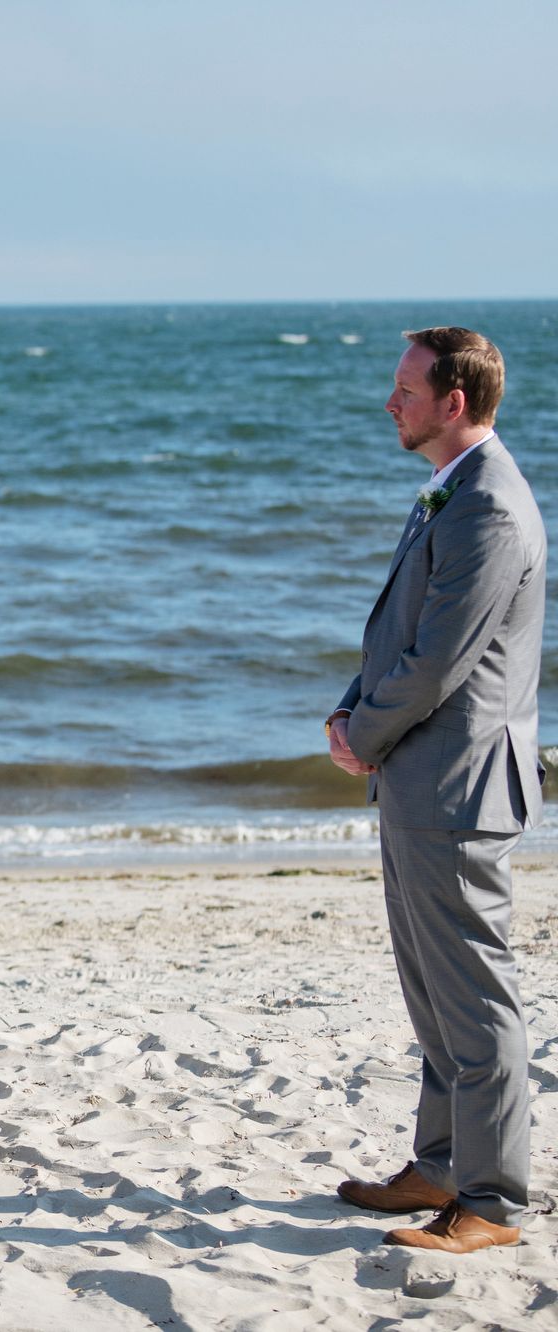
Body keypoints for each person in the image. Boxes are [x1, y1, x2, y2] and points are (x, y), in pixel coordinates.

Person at [327, 327, 544, 1254]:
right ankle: (443, 1162)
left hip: (458, 784)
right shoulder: (451, 493)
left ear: (455, 401)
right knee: (431, 986)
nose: (392, 402)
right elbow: (397, 631)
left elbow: (440, 660)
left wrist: (363, 735)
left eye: (406, 388)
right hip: (420, 775)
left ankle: (492, 1200)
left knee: (476, 992)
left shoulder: (491, 506)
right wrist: (348, 711)